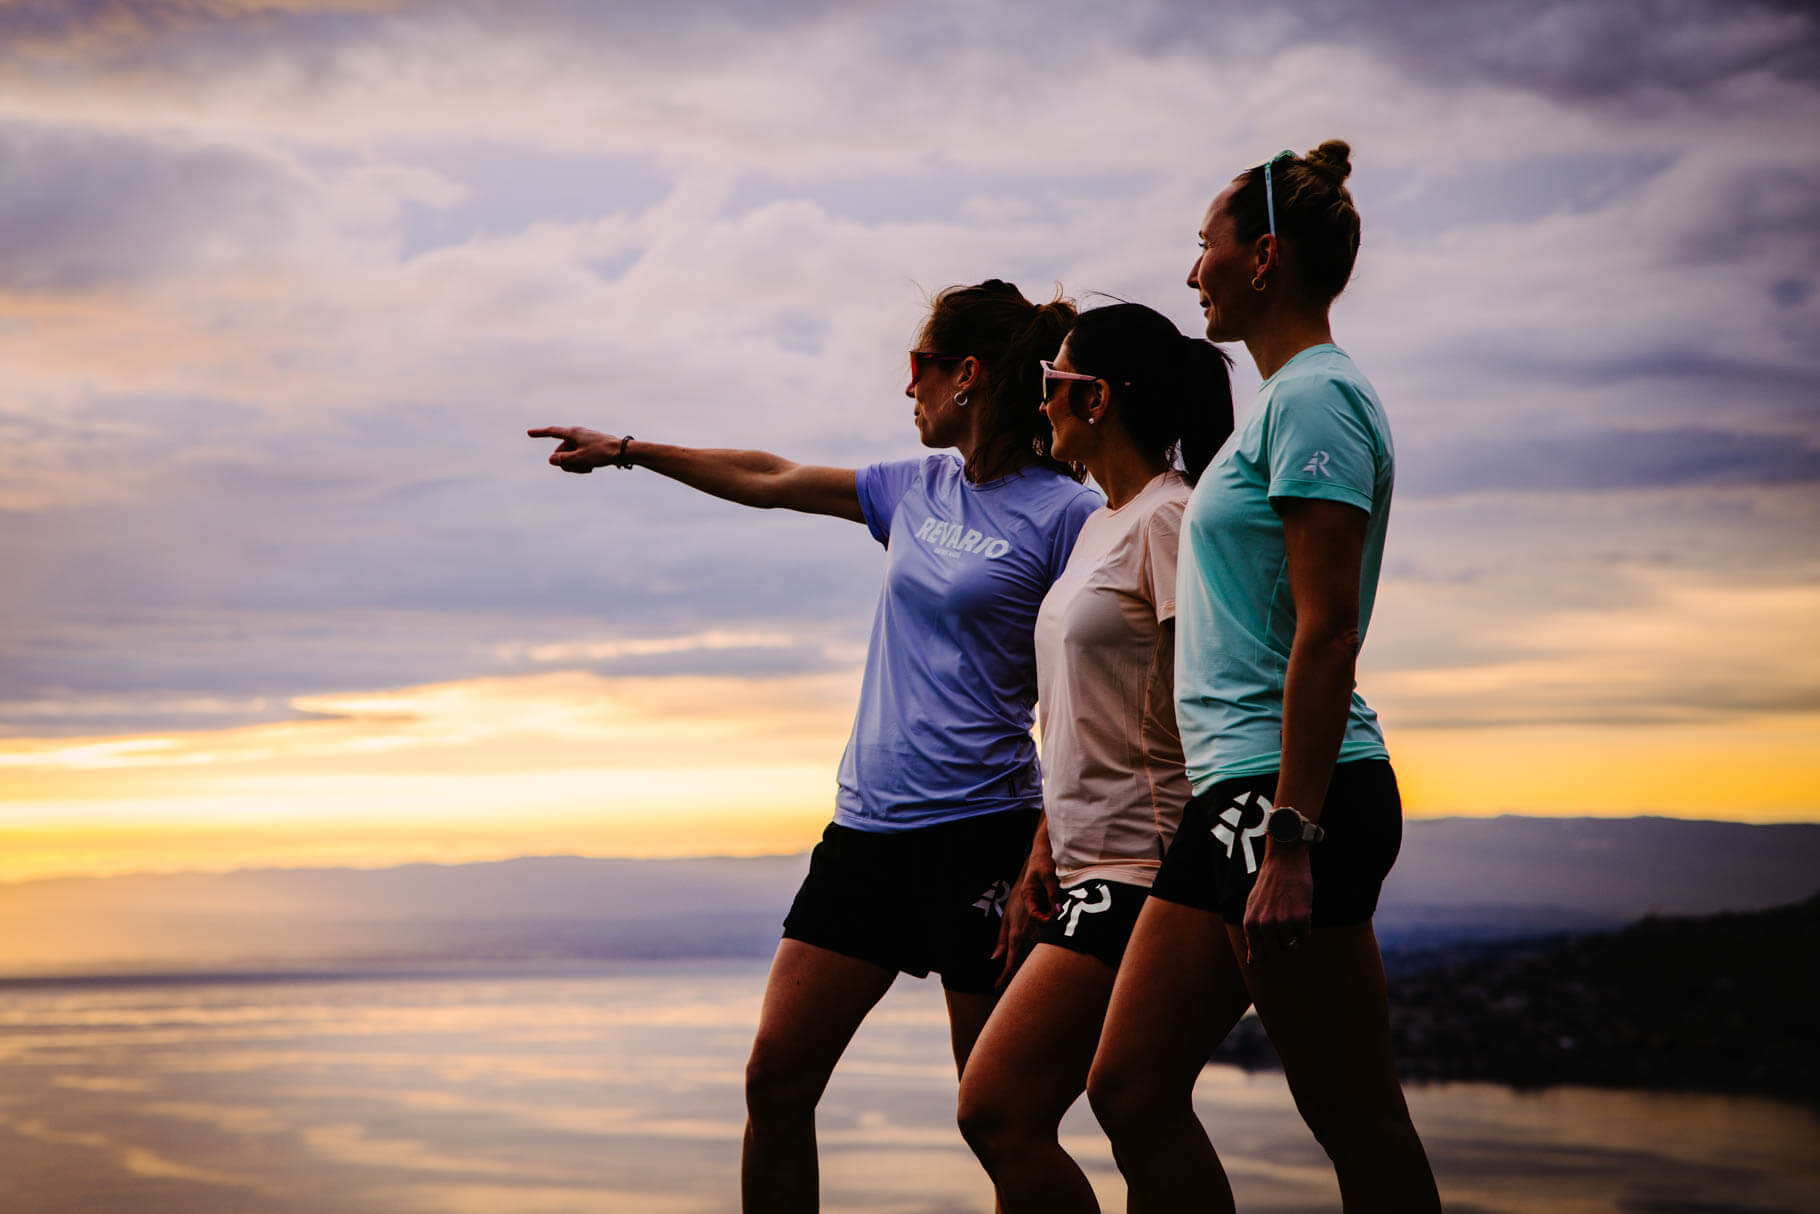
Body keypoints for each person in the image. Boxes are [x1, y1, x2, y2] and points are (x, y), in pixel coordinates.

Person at [529, 279, 1102, 1214]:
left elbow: (1089, 692)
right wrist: (630, 451)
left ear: (966, 375)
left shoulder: (1067, 516)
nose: (907, 387)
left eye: (917, 366)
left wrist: (1050, 846)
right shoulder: (914, 490)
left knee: (1003, 1124)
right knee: (775, 1082)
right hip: (868, 837)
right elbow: (769, 477)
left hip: (987, 838)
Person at [1086, 142, 1443, 1212]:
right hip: (1234, 796)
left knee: (1354, 1114)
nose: (1193, 269)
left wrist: (1292, 835)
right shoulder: (1286, 400)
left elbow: (1328, 633)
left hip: (1285, 799)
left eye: (1206, 245)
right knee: (1129, 1086)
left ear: (1264, 258)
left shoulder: (1317, 401)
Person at [954, 302, 1233, 1214]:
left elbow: (1217, 696)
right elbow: (1081, 714)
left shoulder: (1171, 521)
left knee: (1001, 1107)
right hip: (1086, 865)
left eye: (1052, 383)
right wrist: (1046, 845)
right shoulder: (1099, 526)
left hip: (1150, 869)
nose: (1039, 402)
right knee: (1138, 1111)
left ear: (1097, 397)